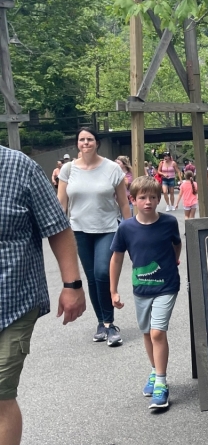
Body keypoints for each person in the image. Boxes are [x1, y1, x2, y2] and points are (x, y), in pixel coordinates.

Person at [0, 145, 87, 445]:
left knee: (0, 394)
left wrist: (72, 285)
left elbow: (58, 228)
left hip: (12, 300)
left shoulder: (19, 167)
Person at [109, 176, 182, 411]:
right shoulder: (126, 227)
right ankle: (154, 370)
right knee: (147, 333)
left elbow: (176, 244)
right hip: (141, 288)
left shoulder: (169, 222)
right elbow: (117, 257)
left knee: (158, 333)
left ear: (159, 199)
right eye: (142, 197)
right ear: (133, 200)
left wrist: (175, 259)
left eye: (153, 197)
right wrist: (113, 290)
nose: (148, 202)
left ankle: (161, 383)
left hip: (167, 286)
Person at [57, 127, 131, 347]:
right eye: (81, 139)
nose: (86, 143)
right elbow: (61, 204)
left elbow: (123, 202)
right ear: (77, 144)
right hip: (78, 230)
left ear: (97, 142)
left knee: (101, 273)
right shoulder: (68, 170)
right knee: (90, 278)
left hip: (107, 229)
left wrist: (131, 229)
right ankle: (102, 322)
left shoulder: (112, 169)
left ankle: (110, 324)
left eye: (90, 139)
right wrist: (57, 231)